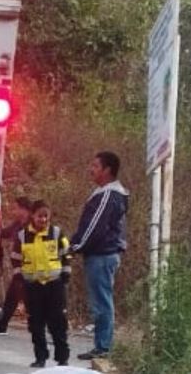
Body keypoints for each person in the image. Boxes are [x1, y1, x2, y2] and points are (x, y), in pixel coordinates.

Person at [70, 152, 128, 360]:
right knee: (100, 301)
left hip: (102, 255)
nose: (90, 169)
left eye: (95, 165)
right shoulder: (103, 193)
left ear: (107, 170)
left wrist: (75, 246)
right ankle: (101, 346)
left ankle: (103, 347)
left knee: (101, 302)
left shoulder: (108, 195)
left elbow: (95, 228)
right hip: (102, 255)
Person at [14, 200, 71, 368]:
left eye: (46, 216)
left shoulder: (56, 233)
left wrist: (66, 273)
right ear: (33, 215)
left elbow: (66, 254)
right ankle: (40, 357)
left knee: (58, 323)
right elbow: (16, 258)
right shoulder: (23, 236)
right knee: (36, 324)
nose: (43, 219)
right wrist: (19, 279)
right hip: (33, 287)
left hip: (54, 285)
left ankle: (62, 358)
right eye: (40, 216)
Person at [0, 196, 33, 335]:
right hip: (20, 268)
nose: (13, 211)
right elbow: (4, 233)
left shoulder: (32, 226)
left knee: (19, 296)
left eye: (16, 208)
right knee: (17, 296)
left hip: (31, 268)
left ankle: (1, 325)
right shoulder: (17, 224)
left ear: (24, 209)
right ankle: (1, 325)